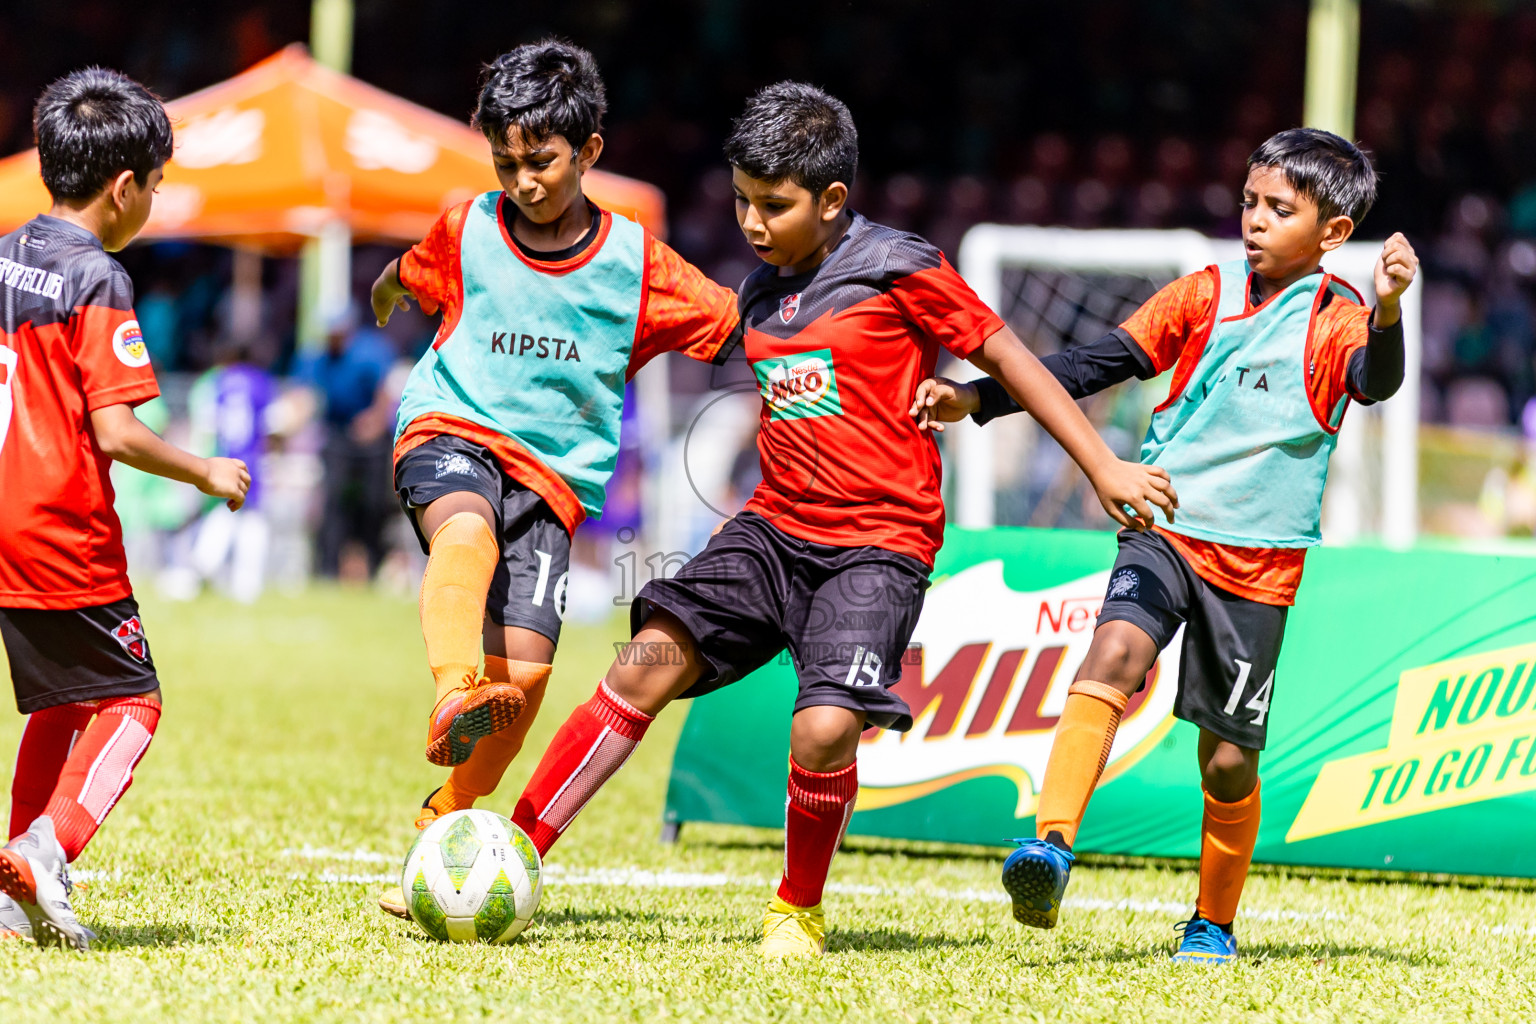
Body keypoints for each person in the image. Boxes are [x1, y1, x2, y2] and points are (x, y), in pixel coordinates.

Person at [506, 83, 1176, 959]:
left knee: (823, 729)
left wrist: (1102, 465)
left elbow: (1012, 357)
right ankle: (510, 854)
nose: (751, 220)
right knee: (645, 662)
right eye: (741, 198)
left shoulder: (901, 266)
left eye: (772, 205)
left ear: (830, 200)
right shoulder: (756, 294)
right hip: (771, 530)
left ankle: (797, 907)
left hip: (880, 546)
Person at [911, 128, 1419, 963]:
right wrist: (977, 398)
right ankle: (1050, 846)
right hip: (1164, 528)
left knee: (1226, 763)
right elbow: (1095, 360)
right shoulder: (1203, 292)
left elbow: (1377, 381)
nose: (1254, 219)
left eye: (1279, 209)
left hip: (1259, 563)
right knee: (1111, 652)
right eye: (1251, 200)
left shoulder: (1339, 319)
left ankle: (1211, 922)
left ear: (1333, 233)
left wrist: (1392, 307)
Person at [367, 41, 741, 918]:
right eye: (507, 161)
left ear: (590, 151)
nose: (524, 180)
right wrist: (387, 293)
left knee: (527, 676)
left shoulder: (636, 264)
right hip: (448, 430)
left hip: (556, 481)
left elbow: (736, 327)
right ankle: (451, 687)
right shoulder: (467, 228)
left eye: (542, 161)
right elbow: (405, 275)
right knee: (466, 531)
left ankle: (444, 822)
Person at [0, 68, 250, 948]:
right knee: (133, 703)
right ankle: (47, 851)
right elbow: (115, 431)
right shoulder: (98, 280)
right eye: (158, 184)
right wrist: (204, 471)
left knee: (62, 702)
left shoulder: (4, 252)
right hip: (60, 524)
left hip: (3, 524)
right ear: (124, 188)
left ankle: (9, 881)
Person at [294, 307, 397, 580]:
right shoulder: (316, 357)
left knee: (374, 504)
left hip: (372, 438)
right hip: (338, 435)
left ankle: (374, 567)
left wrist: (374, 422)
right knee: (333, 502)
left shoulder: (371, 350)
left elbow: (385, 391)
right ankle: (327, 571)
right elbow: (302, 393)